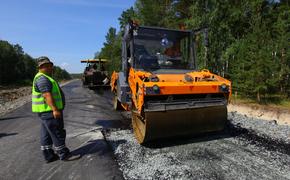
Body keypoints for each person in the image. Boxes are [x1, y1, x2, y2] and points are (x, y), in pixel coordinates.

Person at [32, 56, 80, 163]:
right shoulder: (42, 79)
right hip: (49, 112)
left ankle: (48, 156)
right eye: (45, 66)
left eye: (50, 65)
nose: (49, 68)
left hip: (44, 112)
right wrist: (55, 109)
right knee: (57, 132)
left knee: (46, 134)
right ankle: (64, 154)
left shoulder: (44, 77)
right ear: (40, 67)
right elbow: (47, 95)